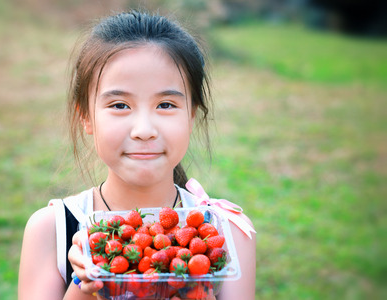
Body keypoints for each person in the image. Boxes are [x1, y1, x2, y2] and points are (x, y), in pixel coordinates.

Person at [18, 10, 256, 300]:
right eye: (119, 105)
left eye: (166, 104)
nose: (144, 130)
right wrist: (86, 284)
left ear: (191, 116)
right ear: (86, 118)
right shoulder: (52, 230)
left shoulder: (226, 231)